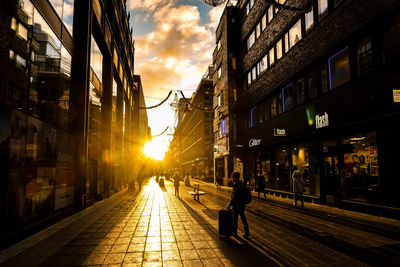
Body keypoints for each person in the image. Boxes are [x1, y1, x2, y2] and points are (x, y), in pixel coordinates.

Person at [228, 172, 250, 238]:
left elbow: (234, 196)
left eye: (232, 177)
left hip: (237, 204)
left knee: (235, 219)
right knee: (243, 218)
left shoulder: (236, 185)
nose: (231, 178)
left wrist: (229, 204)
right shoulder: (242, 183)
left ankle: (235, 232)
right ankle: (247, 232)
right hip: (242, 204)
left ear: (234, 178)